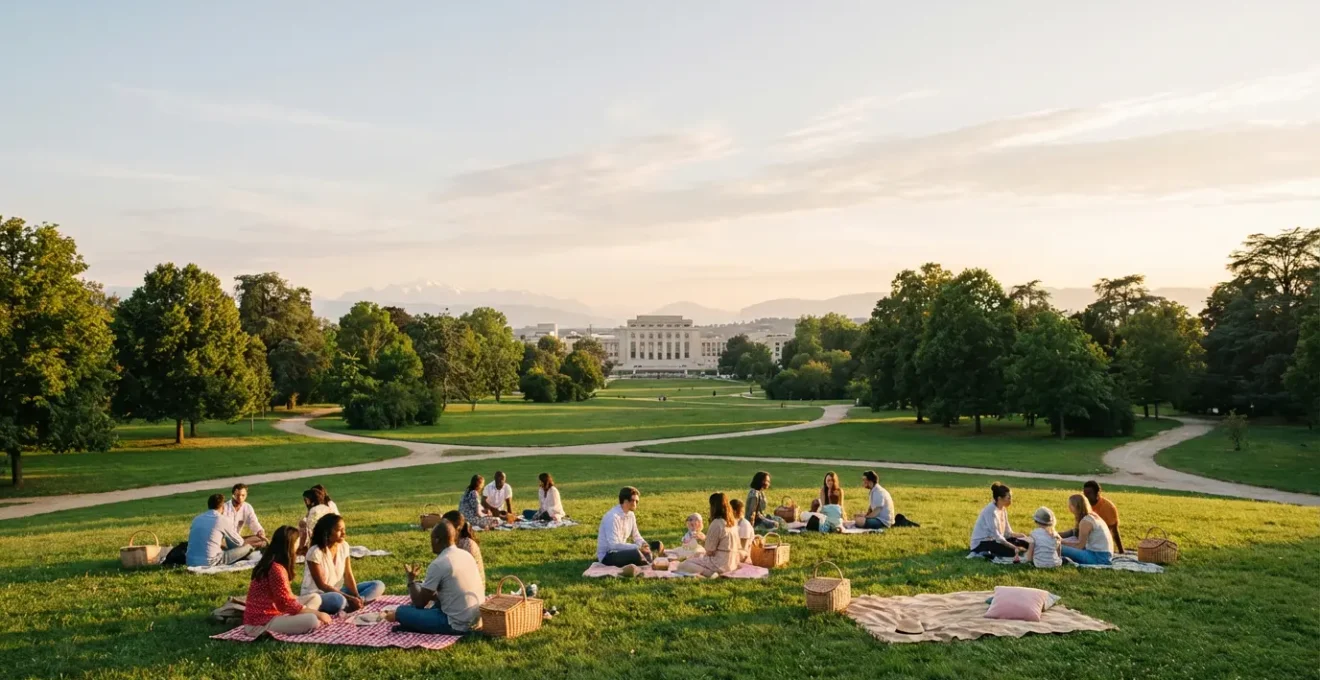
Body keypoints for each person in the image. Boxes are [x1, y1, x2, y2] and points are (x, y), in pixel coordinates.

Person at [391, 519, 486, 634]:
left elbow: (420, 603)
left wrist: (411, 581)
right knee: (429, 606)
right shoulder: (466, 555)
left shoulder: (439, 563)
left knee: (401, 612)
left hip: (456, 625)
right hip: (477, 620)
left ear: (436, 540)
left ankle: (413, 624)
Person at [242, 526, 332, 636]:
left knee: (315, 597)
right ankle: (301, 620)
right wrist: (318, 613)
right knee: (312, 620)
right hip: (262, 622)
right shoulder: (275, 569)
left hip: (277, 611)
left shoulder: (274, 564)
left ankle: (298, 620)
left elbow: (286, 600)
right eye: (296, 544)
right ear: (289, 545)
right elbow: (286, 604)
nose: (298, 548)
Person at [300, 513, 385, 614]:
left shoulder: (344, 546)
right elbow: (322, 585)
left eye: (344, 529)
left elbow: (348, 575)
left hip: (338, 590)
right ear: (327, 532)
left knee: (378, 585)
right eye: (339, 530)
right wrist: (349, 598)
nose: (344, 533)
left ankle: (356, 603)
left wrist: (356, 595)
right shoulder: (315, 552)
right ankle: (349, 604)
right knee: (338, 600)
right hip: (318, 595)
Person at [676, 493, 742, 577]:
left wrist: (703, 539)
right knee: (696, 556)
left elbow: (710, 551)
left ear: (713, 507)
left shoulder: (717, 523)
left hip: (720, 564)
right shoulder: (733, 523)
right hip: (733, 563)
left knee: (682, 565)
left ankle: (709, 573)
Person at [596, 486, 663, 567]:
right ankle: (647, 560)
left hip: (621, 550)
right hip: (608, 555)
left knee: (656, 545)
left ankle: (647, 557)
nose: (635, 504)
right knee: (636, 554)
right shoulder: (612, 517)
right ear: (625, 500)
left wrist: (644, 545)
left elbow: (636, 535)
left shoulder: (631, 515)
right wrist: (638, 548)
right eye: (633, 500)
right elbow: (613, 545)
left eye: (637, 501)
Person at [187, 494, 254, 567]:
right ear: (223, 506)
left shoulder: (197, 519)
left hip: (190, 560)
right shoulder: (222, 520)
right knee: (248, 548)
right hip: (210, 562)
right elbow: (239, 542)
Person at [969, 482, 1030, 557]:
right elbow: (997, 536)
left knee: (1025, 543)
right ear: (999, 498)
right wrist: (1015, 547)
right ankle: (981, 553)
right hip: (983, 543)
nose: (1011, 500)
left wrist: (1023, 537)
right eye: (1009, 498)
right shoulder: (990, 510)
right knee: (1011, 552)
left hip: (996, 540)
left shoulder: (1003, 509)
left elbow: (1007, 533)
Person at [1061, 481, 1123, 553]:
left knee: (1064, 547)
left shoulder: (1108, 507)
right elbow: (1077, 531)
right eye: (1085, 494)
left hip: (1098, 543)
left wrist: (1121, 551)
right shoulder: (1083, 507)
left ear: (1098, 493)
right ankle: (1052, 535)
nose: (1086, 496)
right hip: (1087, 537)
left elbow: (1114, 530)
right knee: (1072, 536)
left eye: (1089, 494)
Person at [1060, 494, 1115, 565]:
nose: (1068, 507)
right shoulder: (1092, 516)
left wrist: (1060, 542)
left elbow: (1080, 546)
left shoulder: (1086, 521)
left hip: (1098, 558)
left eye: (1070, 505)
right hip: (1104, 555)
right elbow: (1075, 535)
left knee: (1058, 547)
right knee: (1072, 539)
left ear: (1075, 507)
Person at [442, 510, 485, 590]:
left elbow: (464, 574)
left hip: (470, 590)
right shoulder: (452, 542)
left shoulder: (467, 544)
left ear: (457, 528)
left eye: (445, 527)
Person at [224, 483, 267, 548]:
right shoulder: (225, 508)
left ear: (246, 495)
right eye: (237, 495)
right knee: (261, 543)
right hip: (226, 540)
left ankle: (245, 547)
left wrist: (260, 531)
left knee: (262, 539)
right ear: (233, 495)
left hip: (239, 539)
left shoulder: (247, 507)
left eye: (243, 495)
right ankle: (246, 547)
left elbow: (254, 522)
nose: (240, 497)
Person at [299, 487, 333, 552]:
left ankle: (301, 548)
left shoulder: (314, 511)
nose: (305, 502)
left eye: (306, 500)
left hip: (320, 538)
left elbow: (311, 528)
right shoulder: (325, 507)